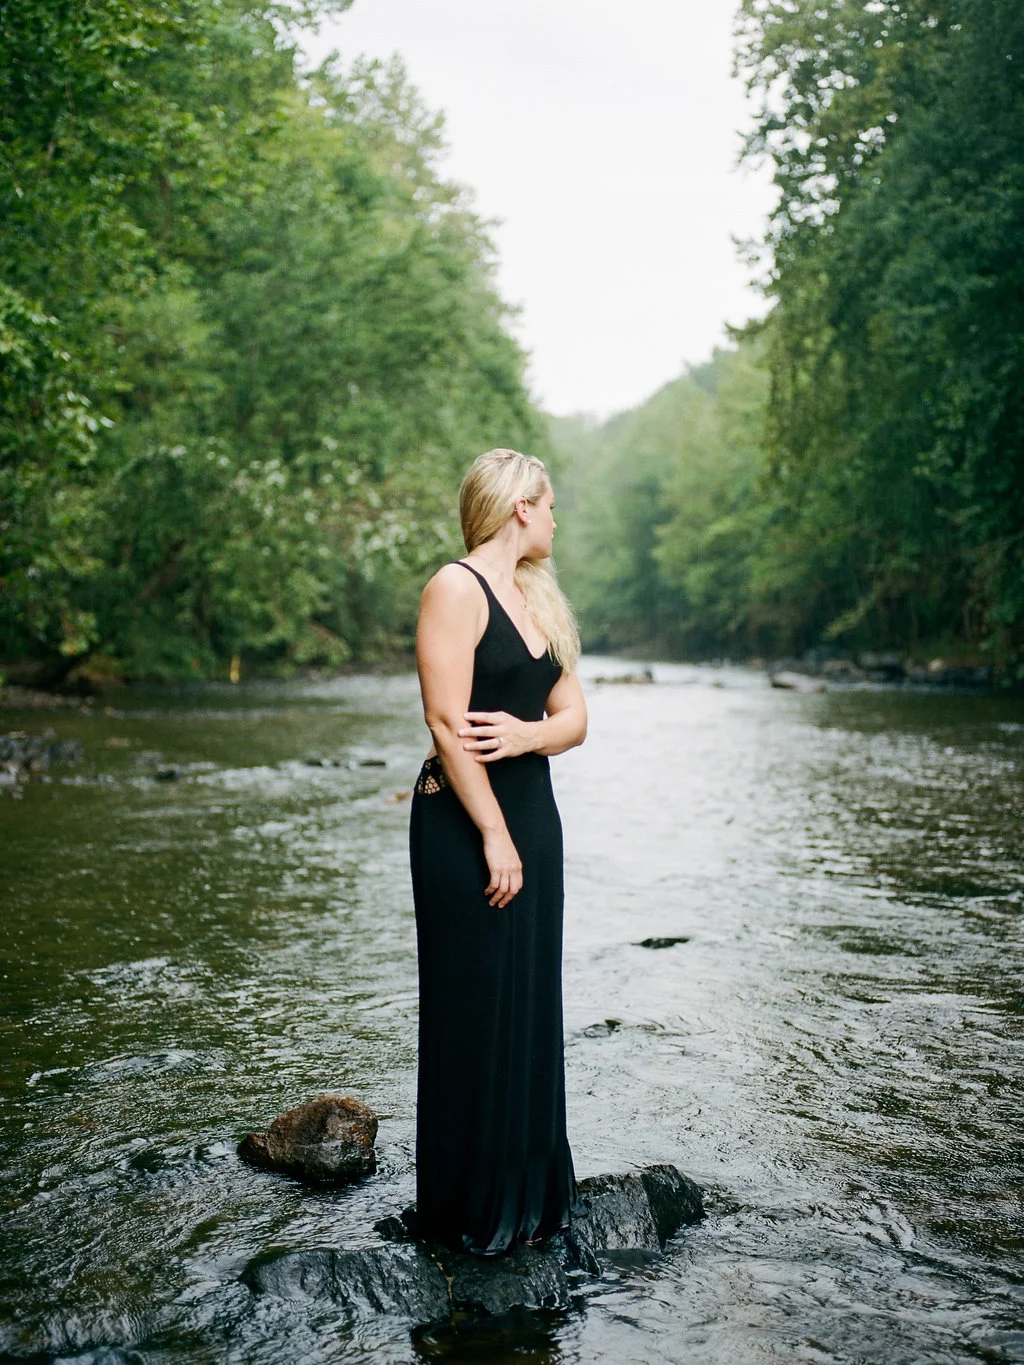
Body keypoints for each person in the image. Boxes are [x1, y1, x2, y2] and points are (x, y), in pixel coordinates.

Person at [409, 447, 588, 1256]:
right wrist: (491, 832)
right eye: (549, 504)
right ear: (521, 506)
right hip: (466, 826)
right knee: (474, 1003)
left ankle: (532, 1191)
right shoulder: (457, 588)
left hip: (533, 822)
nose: (556, 518)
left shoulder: (535, 597)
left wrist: (527, 733)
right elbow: (447, 723)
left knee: (529, 1000)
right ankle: (464, 1206)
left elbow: (575, 715)